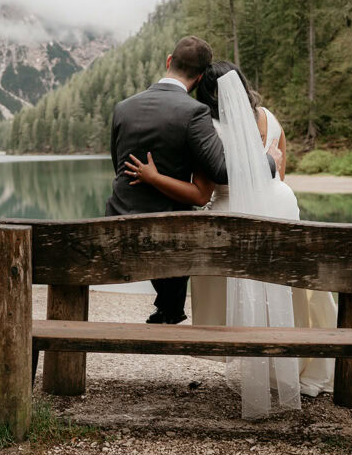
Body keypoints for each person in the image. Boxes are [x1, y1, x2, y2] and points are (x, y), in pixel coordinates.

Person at [123, 61, 338, 409]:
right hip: (282, 206)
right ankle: (305, 368)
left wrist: (153, 177)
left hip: (232, 217)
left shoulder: (208, 129)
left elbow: (202, 194)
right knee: (291, 287)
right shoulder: (270, 118)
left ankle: (259, 359)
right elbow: (279, 175)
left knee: (236, 271)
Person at [105, 38, 279, 325]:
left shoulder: (123, 107)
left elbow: (118, 165)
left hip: (117, 219)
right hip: (169, 230)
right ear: (199, 77)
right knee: (186, 225)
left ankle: (169, 308)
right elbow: (222, 171)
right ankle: (171, 309)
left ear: (169, 60)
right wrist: (271, 161)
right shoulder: (193, 112)